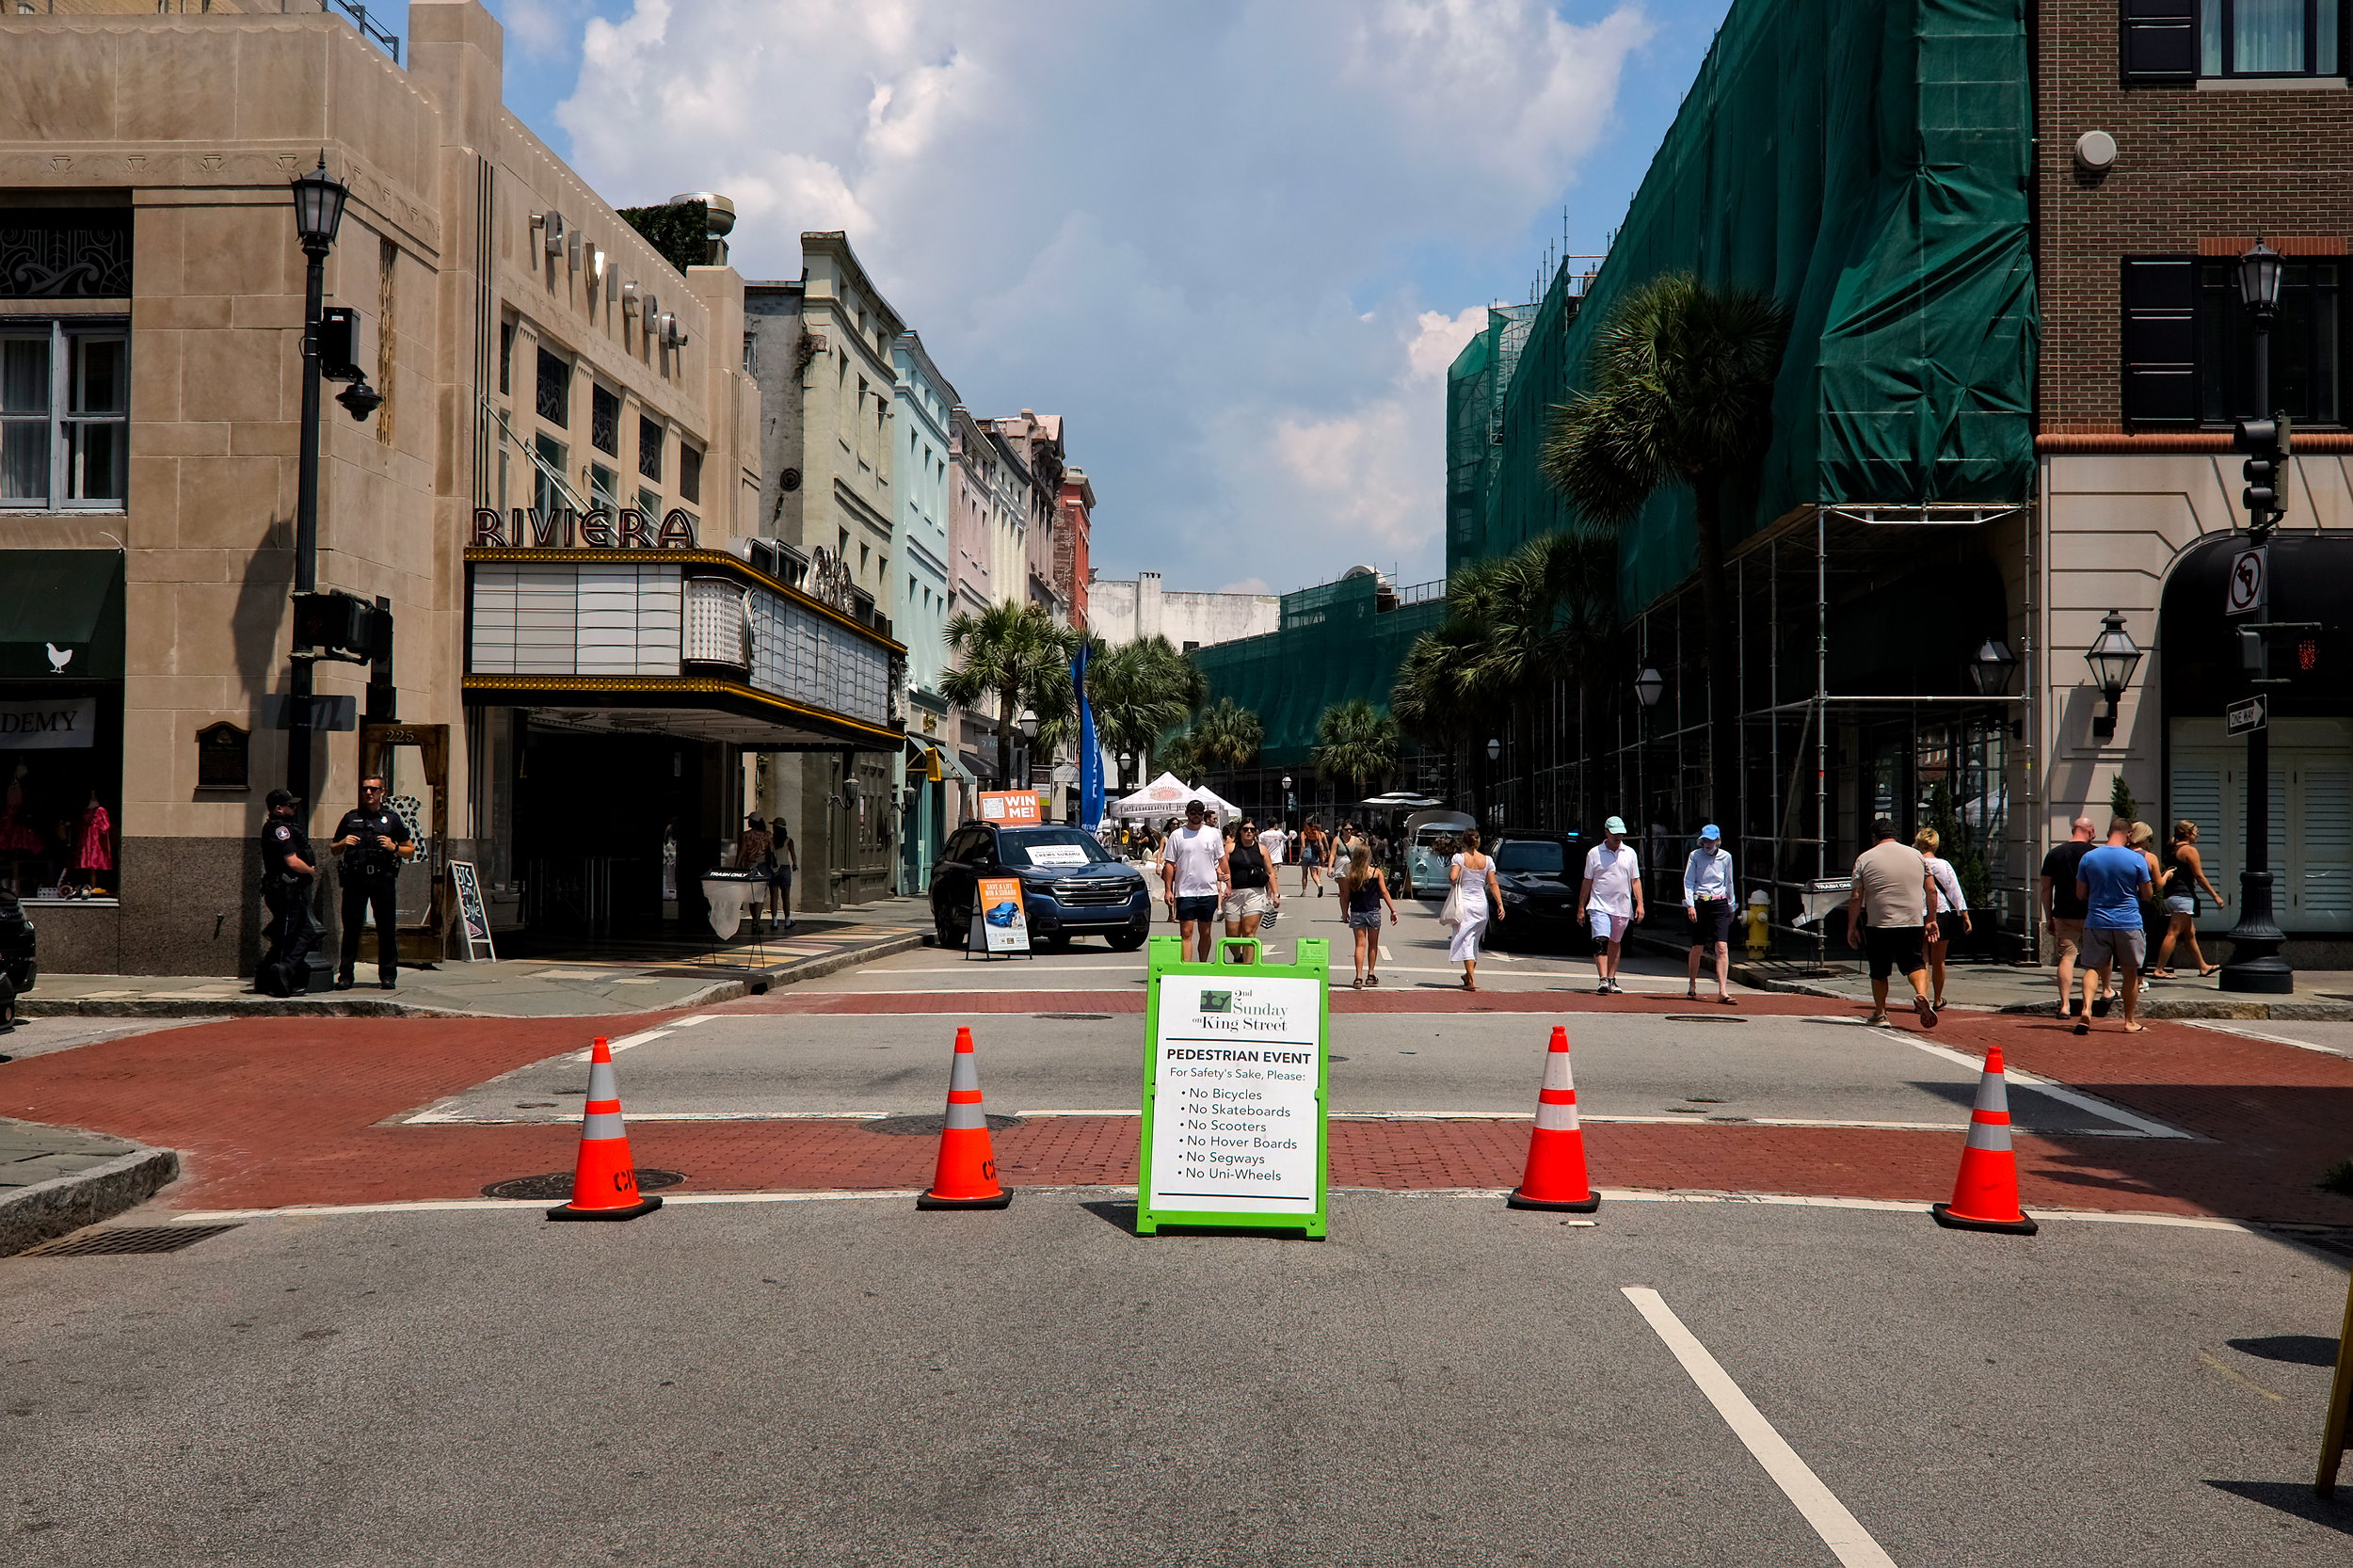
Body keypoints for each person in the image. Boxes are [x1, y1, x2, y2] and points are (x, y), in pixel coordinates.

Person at [1844, 817, 1941, 1029]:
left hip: (1879, 924)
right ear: (1894, 834)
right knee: (1915, 963)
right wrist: (1931, 920)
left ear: (1874, 836)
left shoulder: (1865, 858)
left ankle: (1880, 1013)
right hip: (1911, 921)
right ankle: (1921, 995)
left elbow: (1855, 897)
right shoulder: (1917, 856)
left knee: (1879, 970)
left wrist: (1851, 927)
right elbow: (1932, 891)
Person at [330, 775, 415, 991]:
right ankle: (346, 975)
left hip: (382, 878)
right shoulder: (350, 818)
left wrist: (393, 847)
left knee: (386, 927)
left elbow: (409, 850)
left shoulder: (391, 819)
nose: (369, 793)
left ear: (382, 793)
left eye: (374, 790)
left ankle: (388, 975)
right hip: (355, 879)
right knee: (351, 927)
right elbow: (333, 849)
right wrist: (342, 842)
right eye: (365, 789)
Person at [2074, 817, 2155, 1035]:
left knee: (2092, 967)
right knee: (2130, 971)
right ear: (2129, 834)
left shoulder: (2089, 857)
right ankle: (2129, 1021)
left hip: (2097, 920)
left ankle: (2087, 1009)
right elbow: (2148, 895)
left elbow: (2080, 893)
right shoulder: (2136, 859)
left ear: (2108, 832)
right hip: (2128, 922)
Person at [255, 788, 318, 996]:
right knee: (292, 935)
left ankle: (266, 976)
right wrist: (310, 870)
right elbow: (292, 861)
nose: (294, 808)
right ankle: (282, 974)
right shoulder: (280, 830)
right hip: (285, 889)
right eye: (290, 805)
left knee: (294, 933)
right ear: (278, 808)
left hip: (281, 888)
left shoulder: (276, 828)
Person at [2038, 816, 2098, 1024]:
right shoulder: (2094, 853)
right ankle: (2089, 1004)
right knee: (2096, 959)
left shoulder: (2054, 854)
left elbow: (2046, 889)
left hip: (2064, 912)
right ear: (2089, 830)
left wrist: (2049, 917)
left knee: (2066, 957)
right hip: (2092, 913)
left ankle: (2064, 1005)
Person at [1577, 815, 1643, 996]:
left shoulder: (1629, 853)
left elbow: (1635, 880)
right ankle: (1603, 979)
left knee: (1615, 941)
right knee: (1600, 940)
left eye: (1621, 834)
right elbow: (1587, 881)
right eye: (1614, 834)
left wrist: (1640, 904)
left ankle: (1612, 978)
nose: (1618, 837)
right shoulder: (1594, 853)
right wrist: (1581, 907)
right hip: (1599, 904)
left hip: (1622, 906)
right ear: (1606, 832)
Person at [2152, 819, 2225, 978]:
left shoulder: (2171, 848)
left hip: (2172, 896)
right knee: (2173, 933)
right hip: (2182, 897)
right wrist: (2215, 896)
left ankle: (2203, 966)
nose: (2198, 834)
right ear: (2189, 832)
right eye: (2196, 831)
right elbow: (2199, 876)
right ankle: (2159, 969)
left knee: (2189, 933)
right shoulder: (2189, 851)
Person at [1160, 798, 1225, 962]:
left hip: (1208, 890)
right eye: (1193, 813)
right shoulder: (1177, 835)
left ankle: (1202, 964)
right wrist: (1168, 890)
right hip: (1185, 891)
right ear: (1187, 814)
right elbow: (1169, 864)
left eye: (1200, 813)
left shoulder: (1213, 834)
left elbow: (1222, 860)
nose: (1196, 816)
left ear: (1203, 815)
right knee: (1186, 932)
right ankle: (1187, 969)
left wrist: (1227, 884)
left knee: (1206, 932)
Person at [1914, 828, 1972, 1012]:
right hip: (1941, 913)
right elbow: (1954, 891)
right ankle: (1937, 999)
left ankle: (1921, 994)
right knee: (1938, 960)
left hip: (1918, 912)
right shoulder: (1943, 865)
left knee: (1921, 958)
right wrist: (1964, 915)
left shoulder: (1914, 863)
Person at [1682, 824, 1737, 1004]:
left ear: (1718, 841)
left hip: (1719, 902)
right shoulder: (1695, 856)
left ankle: (1722, 990)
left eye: (1711, 840)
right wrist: (1690, 905)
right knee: (1697, 946)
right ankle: (1692, 984)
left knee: (1722, 946)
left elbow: (1729, 882)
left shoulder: (1726, 857)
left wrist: (1731, 906)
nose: (1707, 843)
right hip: (1700, 902)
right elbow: (1689, 881)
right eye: (1705, 840)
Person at [1449, 827, 1503, 990]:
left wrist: (1455, 878)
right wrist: (1500, 904)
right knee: (1474, 940)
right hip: (1481, 904)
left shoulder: (1459, 858)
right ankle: (1468, 975)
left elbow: (1453, 877)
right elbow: (1493, 883)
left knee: (1466, 939)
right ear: (1478, 842)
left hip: (1464, 904)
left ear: (1464, 841)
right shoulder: (1487, 860)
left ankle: (1471, 979)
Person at [1339, 841, 1397, 988]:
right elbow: (1384, 892)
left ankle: (1358, 977)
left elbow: (1345, 895)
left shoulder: (1350, 873)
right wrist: (1393, 910)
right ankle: (1371, 974)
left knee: (1359, 944)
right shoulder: (1376, 872)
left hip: (1357, 911)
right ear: (1368, 857)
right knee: (1373, 944)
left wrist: (1344, 913)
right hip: (1373, 911)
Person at [1221, 819, 1281, 954]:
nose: (1249, 832)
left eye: (1252, 830)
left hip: (1255, 893)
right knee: (1232, 935)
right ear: (1240, 831)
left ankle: (1248, 967)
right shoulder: (1230, 847)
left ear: (1256, 832)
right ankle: (1238, 958)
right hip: (1233, 894)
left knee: (1249, 932)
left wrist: (1276, 894)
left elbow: (1270, 872)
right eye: (1246, 829)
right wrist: (1221, 877)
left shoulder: (1261, 849)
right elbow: (1221, 867)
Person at [736, 815, 775, 935]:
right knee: (760, 897)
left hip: (749, 867)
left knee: (752, 897)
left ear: (753, 822)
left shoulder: (746, 835)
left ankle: (755, 920)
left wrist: (736, 866)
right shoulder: (767, 835)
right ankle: (756, 921)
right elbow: (771, 851)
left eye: (749, 820)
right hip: (763, 867)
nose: (748, 822)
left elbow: (741, 851)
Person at [769, 817, 799, 932]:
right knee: (786, 896)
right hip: (785, 868)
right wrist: (795, 864)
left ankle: (774, 921)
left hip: (774, 869)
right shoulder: (788, 841)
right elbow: (793, 854)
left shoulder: (771, 840)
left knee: (774, 896)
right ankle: (787, 920)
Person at [1299, 817, 1328, 896]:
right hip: (1314, 854)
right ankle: (1319, 885)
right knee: (1314, 873)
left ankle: (1304, 891)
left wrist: (1300, 857)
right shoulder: (1317, 833)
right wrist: (1321, 854)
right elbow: (1321, 845)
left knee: (1304, 873)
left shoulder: (1303, 833)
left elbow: (1303, 846)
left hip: (1306, 853)